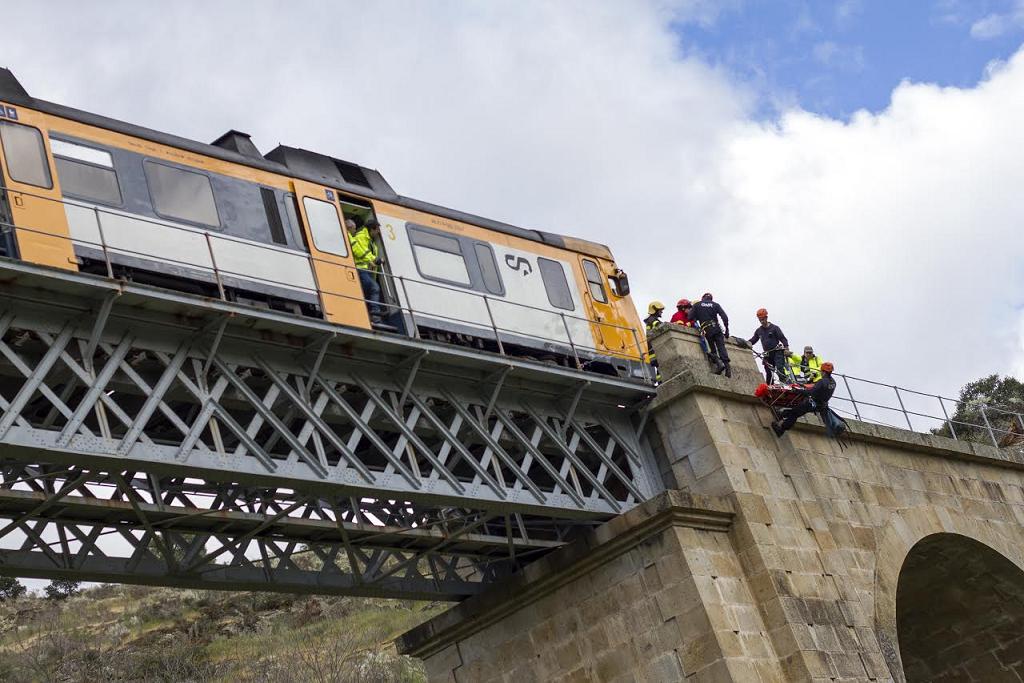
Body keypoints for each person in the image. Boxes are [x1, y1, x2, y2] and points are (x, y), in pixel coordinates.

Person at [772, 362, 836, 436]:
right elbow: (818, 388)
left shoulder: (822, 382)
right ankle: (782, 415)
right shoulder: (833, 382)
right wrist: (805, 385)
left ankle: (781, 429)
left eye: (821, 371)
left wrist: (798, 390)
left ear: (823, 372)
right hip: (820, 405)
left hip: (812, 403)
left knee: (794, 413)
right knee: (797, 412)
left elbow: (810, 392)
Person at [347, 217, 385, 321]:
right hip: (360, 269)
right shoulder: (361, 237)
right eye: (377, 230)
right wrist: (375, 259)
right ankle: (375, 316)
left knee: (370, 291)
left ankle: (371, 315)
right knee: (374, 288)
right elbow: (361, 252)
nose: (378, 232)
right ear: (372, 229)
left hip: (366, 271)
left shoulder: (371, 241)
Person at [688, 293, 731, 377]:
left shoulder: (697, 305)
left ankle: (719, 365)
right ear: (711, 299)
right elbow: (724, 317)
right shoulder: (715, 305)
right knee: (721, 347)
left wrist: (698, 316)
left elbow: (690, 317)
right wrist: (727, 330)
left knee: (711, 348)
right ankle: (727, 368)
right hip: (717, 328)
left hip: (707, 329)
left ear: (702, 298)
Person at [748, 308, 789, 384]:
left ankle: (785, 383)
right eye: (760, 320)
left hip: (777, 352)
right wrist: (746, 343)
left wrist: (786, 348)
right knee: (768, 371)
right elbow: (753, 340)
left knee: (779, 368)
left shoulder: (774, 328)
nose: (762, 321)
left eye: (763, 319)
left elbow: (782, 338)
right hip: (768, 354)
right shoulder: (759, 331)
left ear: (766, 318)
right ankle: (769, 386)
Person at [644, 301, 665, 382]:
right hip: (655, 350)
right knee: (661, 366)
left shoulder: (651, 319)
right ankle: (661, 382)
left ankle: (660, 381)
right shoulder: (652, 320)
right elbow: (660, 327)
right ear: (655, 310)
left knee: (659, 368)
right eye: (660, 310)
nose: (661, 311)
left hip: (653, 350)